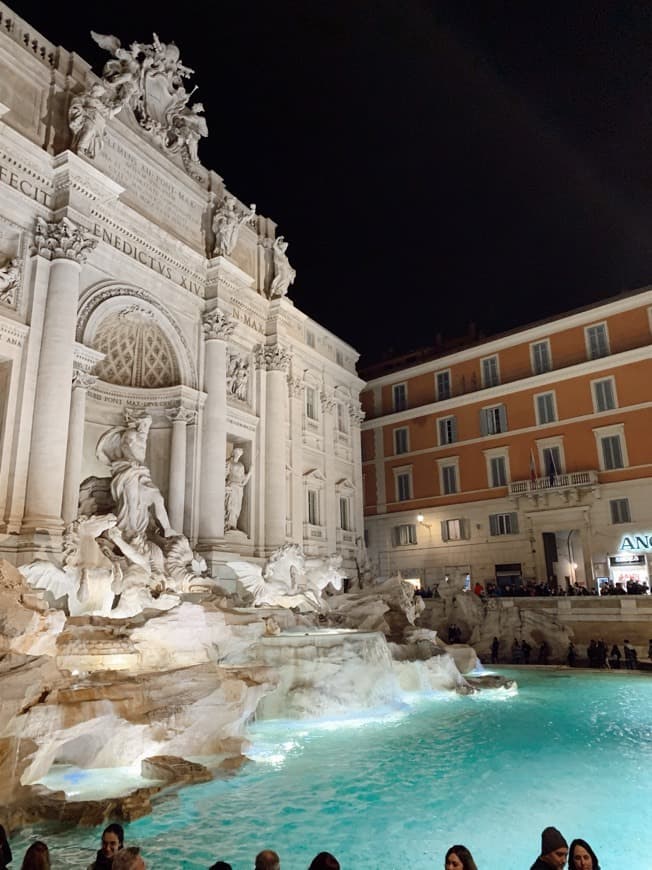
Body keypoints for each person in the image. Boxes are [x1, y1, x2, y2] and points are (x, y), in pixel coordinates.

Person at [224, 447, 253, 531]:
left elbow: (243, 480)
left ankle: (233, 524)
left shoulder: (241, 465)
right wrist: (225, 486)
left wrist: (250, 472)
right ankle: (228, 524)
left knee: (237, 506)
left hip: (239, 488)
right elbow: (224, 475)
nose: (238, 454)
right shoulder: (229, 463)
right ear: (233, 453)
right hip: (231, 485)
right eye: (236, 452)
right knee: (230, 505)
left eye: (239, 453)